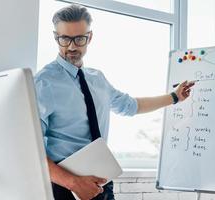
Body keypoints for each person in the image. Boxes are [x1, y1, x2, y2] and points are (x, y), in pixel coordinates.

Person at [34, 4, 195, 200]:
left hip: (102, 182)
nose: (72, 46)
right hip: (64, 187)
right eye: (65, 39)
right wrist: (73, 183)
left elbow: (131, 106)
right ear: (55, 37)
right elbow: (32, 148)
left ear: (90, 37)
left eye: (79, 38)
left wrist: (174, 97)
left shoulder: (97, 79)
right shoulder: (44, 83)